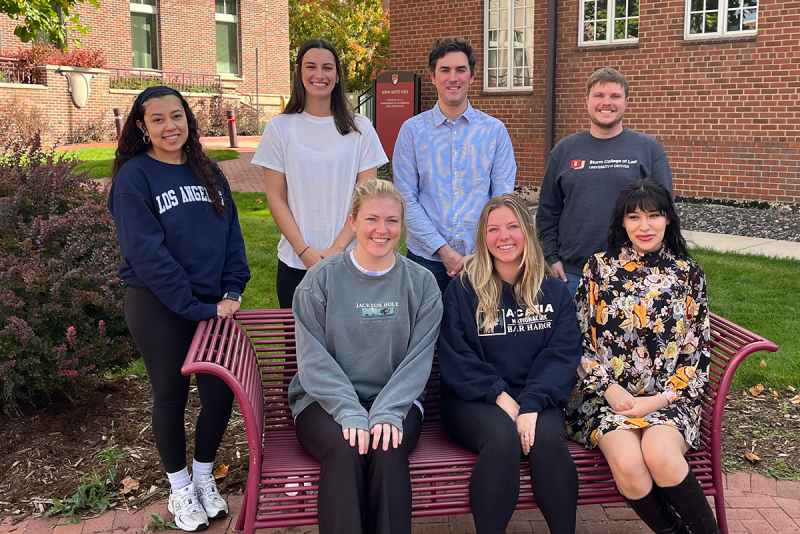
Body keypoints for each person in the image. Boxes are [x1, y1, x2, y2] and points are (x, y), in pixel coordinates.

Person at [108, 86, 251, 531]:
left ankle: (205, 476)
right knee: (170, 397)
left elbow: (233, 236)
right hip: (158, 305)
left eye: (177, 116)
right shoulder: (135, 178)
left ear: (188, 119)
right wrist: (195, 306)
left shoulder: (207, 170)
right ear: (141, 127)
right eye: (158, 120)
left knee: (219, 394)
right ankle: (180, 486)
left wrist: (231, 289)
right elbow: (145, 252)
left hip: (213, 307)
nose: (170, 126)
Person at [289, 179, 443, 534]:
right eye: (372, 219)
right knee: (345, 450)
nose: (382, 229)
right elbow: (313, 360)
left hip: (397, 400)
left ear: (401, 226)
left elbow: (417, 360)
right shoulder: (320, 281)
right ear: (353, 222)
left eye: (392, 220)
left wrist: (387, 412)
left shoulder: (420, 283)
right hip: (324, 401)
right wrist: (349, 411)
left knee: (388, 451)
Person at [566, 179, 717, 534]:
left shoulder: (687, 274)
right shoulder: (598, 269)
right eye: (634, 217)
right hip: (606, 400)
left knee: (661, 455)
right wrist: (608, 390)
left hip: (670, 399)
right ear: (622, 222)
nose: (644, 226)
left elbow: (696, 353)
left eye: (654, 216)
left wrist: (658, 401)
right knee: (630, 466)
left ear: (668, 220)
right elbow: (576, 342)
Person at [437, 194, 581, 534]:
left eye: (513, 227)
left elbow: (562, 353)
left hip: (536, 395)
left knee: (547, 437)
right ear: (483, 238)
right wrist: (500, 396)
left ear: (528, 233)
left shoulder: (553, 290)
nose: (504, 237)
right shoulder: (463, 288)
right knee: (502, 437)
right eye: (494, 229)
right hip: (473, 398)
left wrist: (531, 403)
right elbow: (456, 355)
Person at [252, 38, 388, 308]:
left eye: (327, 68)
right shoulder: (279, 128)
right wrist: (303, 251)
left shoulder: (360, 129)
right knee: (298, 348)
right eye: (311, 66)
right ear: (298, 70)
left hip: (352, 259)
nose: (319, 75)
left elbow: (367, 199)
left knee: (352, 347)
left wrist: (338, 250)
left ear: (337, 75)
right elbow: (276, 198)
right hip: (295, 261)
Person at [393, 37, 516, 296]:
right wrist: (443, 250)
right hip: (425, 259)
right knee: (426, 333)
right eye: (445, 70)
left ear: (472, 76)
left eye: (461, 70)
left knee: (481, 333)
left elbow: (502, 200)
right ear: (433, 76)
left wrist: (476, 253)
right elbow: (405, 199)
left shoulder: (495, 131)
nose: (453, 77)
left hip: (483, 258)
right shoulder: (412, 131)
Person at [536, 67, 673, 297]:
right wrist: (551, 257)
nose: (606, 102)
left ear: (626, 102)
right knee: (571, 335)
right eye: (599, 95)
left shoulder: (648, 149)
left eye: (615, 96)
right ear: (587, 100)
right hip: (572, 274)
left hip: (633, 272)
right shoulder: (564, 150)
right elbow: (547, 211)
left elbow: (666, 213)